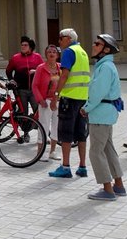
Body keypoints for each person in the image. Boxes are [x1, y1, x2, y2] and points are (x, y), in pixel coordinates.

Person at [82, 34, 127, 201]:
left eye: (97, 44)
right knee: (108, 150)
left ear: (106, 49)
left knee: (95, 152)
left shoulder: (105, 67)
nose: (93, 45)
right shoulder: (106, 65)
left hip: (101, 114)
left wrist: (86, 108)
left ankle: (107, 189)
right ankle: (119, 185)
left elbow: (97, 92)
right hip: (105, 113)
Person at [49, 27, 90, 179]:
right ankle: (82, 166)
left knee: (65, 133)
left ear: (68, 38)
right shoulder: (83, 52)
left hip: (69, 98)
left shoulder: (69, 52)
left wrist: (56, 95)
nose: (59, 41)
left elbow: (64, 75)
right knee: (81, 134)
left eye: (60, 38)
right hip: (82, 98)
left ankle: (65, 166)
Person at [5, 35, 44, 142]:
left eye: (25, 45)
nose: (23, 46)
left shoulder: (37, 57)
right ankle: (26, 133)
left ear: (30, 47)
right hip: (20, 90)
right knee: (24, 113)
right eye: (22, 45)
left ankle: (43, 132)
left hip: (34, 90)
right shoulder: (15, 58)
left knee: (38, 111)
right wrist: (11, 79)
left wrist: (36, 72)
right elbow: (8, 70)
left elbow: (43, 71)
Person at [33, 45, 62, 160]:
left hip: (57, 101)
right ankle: (40, 152)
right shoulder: (41, 68)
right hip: (45, 101)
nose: (52, 53)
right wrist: (40, 100)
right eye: (49, 52)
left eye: (54, 52)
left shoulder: (60, 68)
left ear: (57, 55)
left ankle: (53, 151)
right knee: (43, 126)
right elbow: (34, 86)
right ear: (46, 55)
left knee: (56, 126)